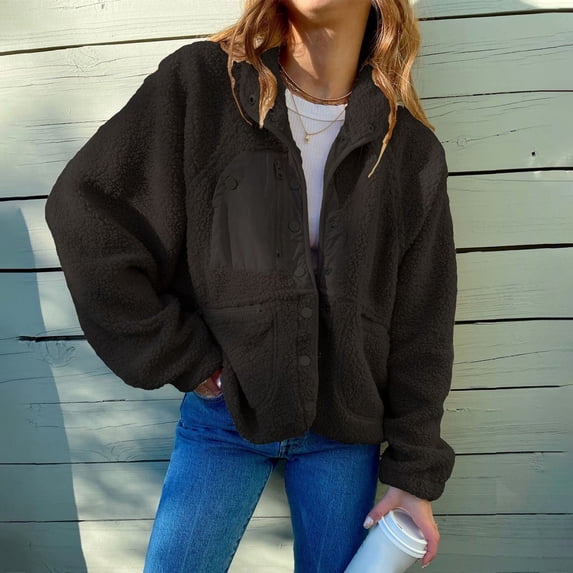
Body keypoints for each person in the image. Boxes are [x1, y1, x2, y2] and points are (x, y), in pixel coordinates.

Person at [45, 0, 458, 571]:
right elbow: (87, 213)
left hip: (346, 432)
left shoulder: (407, 151)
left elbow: (423, 325)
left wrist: (414, 475)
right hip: (226, 416)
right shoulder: (205, 88)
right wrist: (184, 357)